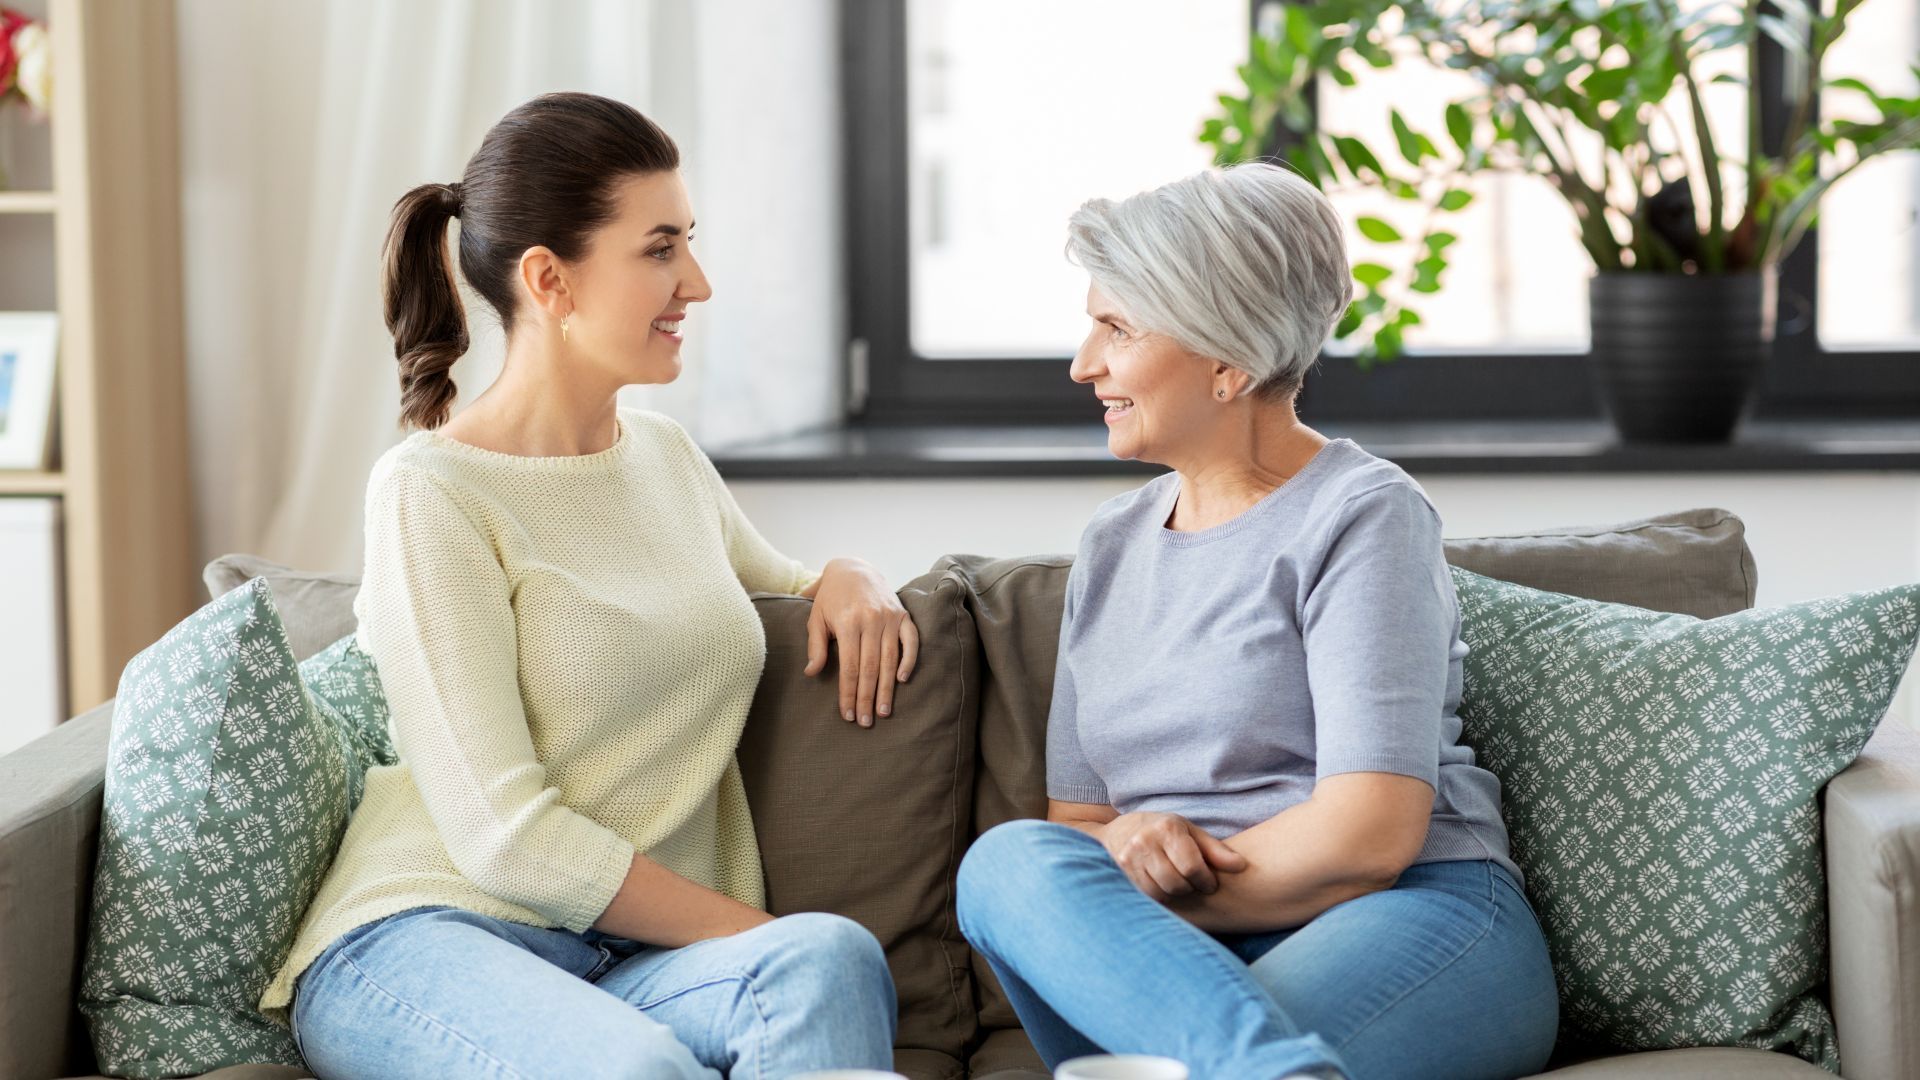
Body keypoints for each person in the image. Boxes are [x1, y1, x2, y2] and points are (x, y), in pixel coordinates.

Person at [260, 92, 911, 1079]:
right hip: (432, 939)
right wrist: (743, 930)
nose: (696, 281)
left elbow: (785, 583)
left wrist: (852, 574)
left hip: (627, 965)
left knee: (827, 956)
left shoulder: (664, 457)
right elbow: (502, 839)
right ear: (548, 280)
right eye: (659, 250)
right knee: (637, 1069)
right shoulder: (430, 492)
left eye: (687, 242)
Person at [956, 163, 1559, 1080]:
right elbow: (1077, 823)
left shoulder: (1362, 514)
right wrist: (1122, 849)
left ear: (1228, 361)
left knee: (1194, 1044)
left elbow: (1369, 836)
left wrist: (1142, 901)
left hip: (1406, 914)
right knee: (1003, 866)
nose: (1084, 364)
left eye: (1117, 328)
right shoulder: (1113, 542)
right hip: (1165, 956)